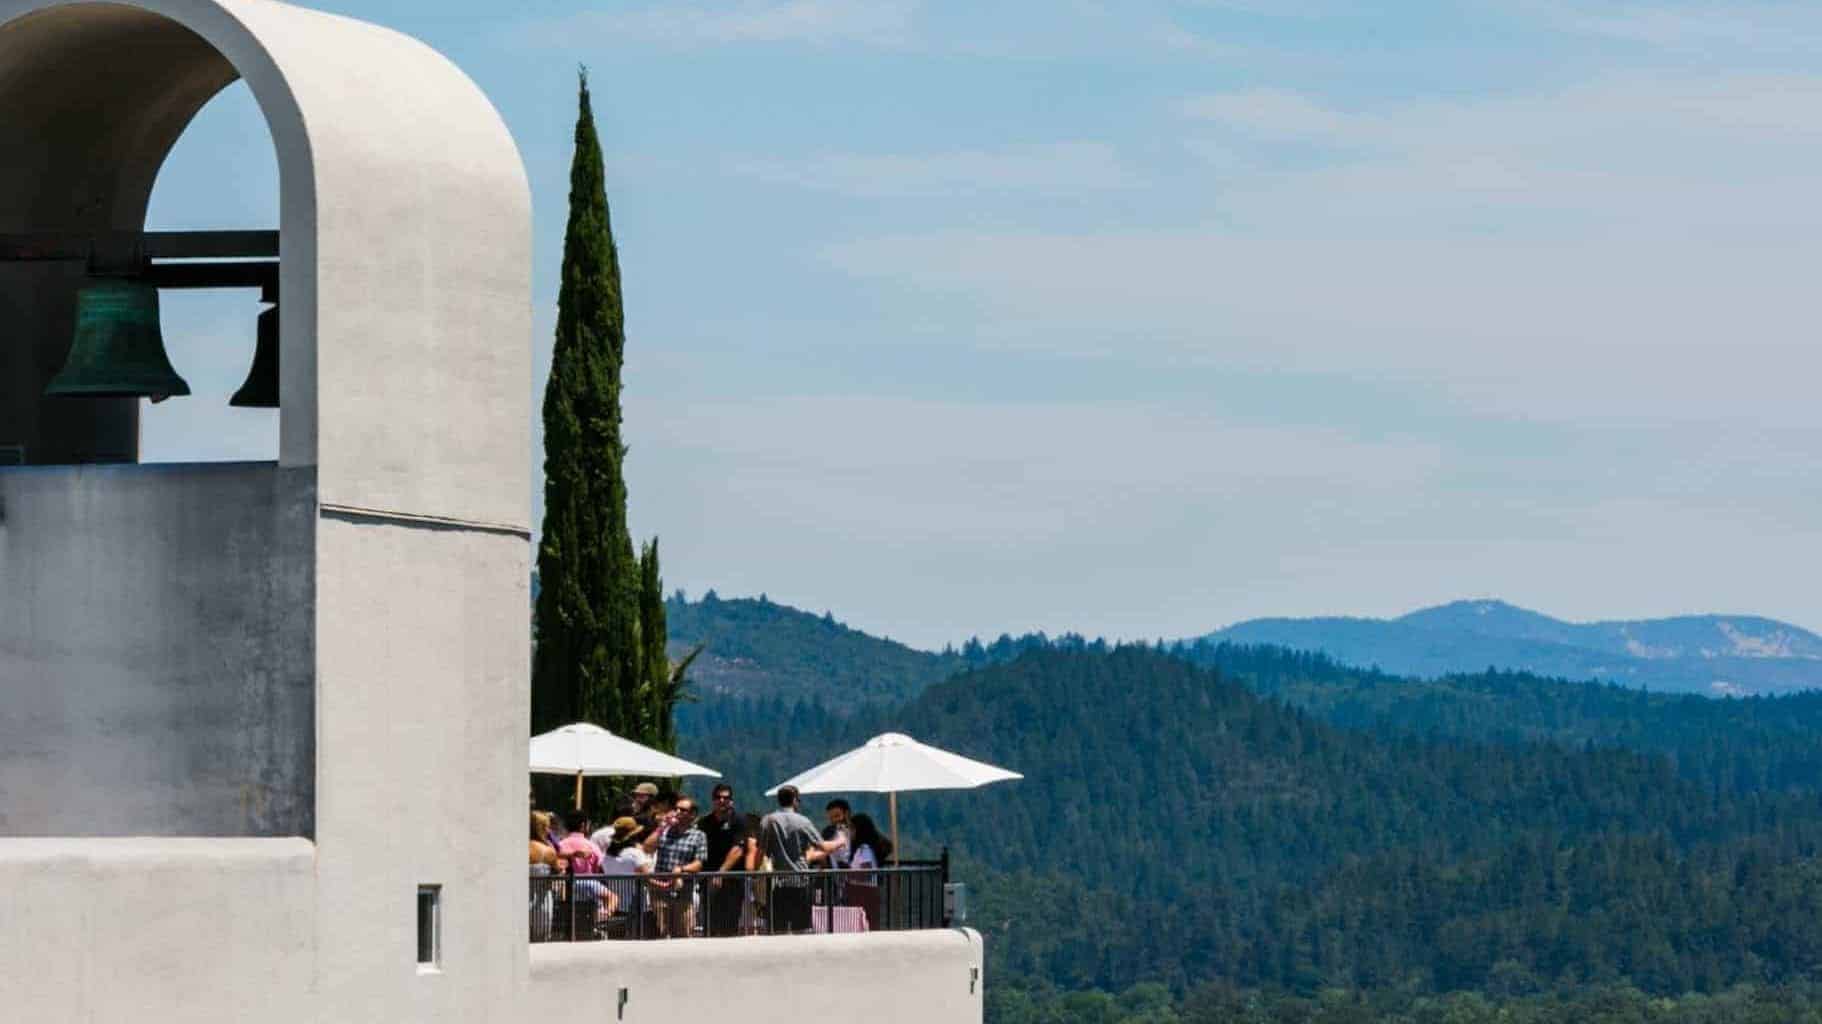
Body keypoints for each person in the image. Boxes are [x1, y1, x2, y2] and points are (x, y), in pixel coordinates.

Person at [760, 785, 847, 934]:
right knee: (801, 931)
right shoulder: (802, 822)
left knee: (778, 931)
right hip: (800, 881)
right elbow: (823, 846)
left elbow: (762, 852)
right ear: (794, 800)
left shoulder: (767, 821)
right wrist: (841, 840)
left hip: (777, 882)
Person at [699, 783, 754, 937]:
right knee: (709, 925)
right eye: (718, 797)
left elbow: (738, 849)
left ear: (731, 801)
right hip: (707, 879)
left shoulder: (740, 820)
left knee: (730, 924)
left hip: (733, 880)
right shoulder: (704, 822)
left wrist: (721, 872)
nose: (722, 801)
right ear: (712, 800)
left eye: (726, 798)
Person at [649, 796, 707, 938]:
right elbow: (647, 848)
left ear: (692, 814)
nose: (677, 812)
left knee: (684, 932)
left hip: (684, 891)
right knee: (661, 933)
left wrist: (682, 869)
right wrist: (661, 827)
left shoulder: (698, 835)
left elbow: (699, 863)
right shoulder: (664, 831)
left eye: (683, 810)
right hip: (659, 889)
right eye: (676, 808)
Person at [529, 811, 563, 942]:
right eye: (547, 826)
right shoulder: (547, 851)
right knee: (540, 943)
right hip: (540, 904)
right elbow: (558, 871)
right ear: (541, 828)